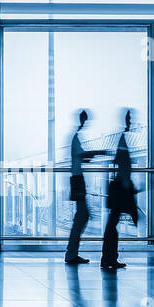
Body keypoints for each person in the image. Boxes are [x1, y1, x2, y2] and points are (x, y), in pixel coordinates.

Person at [64, 109, 105, 265]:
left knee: (81, 217)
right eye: (85, 120)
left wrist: (91, 155)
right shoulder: (75, 137)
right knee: (83, 216)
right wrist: (98, 152)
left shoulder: (76, 137)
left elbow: (81, 157)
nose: (85, 124)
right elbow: (81, 156)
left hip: (77, 179)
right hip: (77, 179)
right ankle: (71, 253)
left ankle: (72, 252)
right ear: (82, 120)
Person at [101, 110, 139, 272]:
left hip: (118, 187)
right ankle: (109, 258)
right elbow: (123, 164)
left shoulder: (122, 139)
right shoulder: (123, 139)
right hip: (121, 188)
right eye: (130, 119)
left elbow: (119, 162)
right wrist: (126, 184)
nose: (132, 122)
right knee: (112, 226)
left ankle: (108, 258)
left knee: (112, 225)